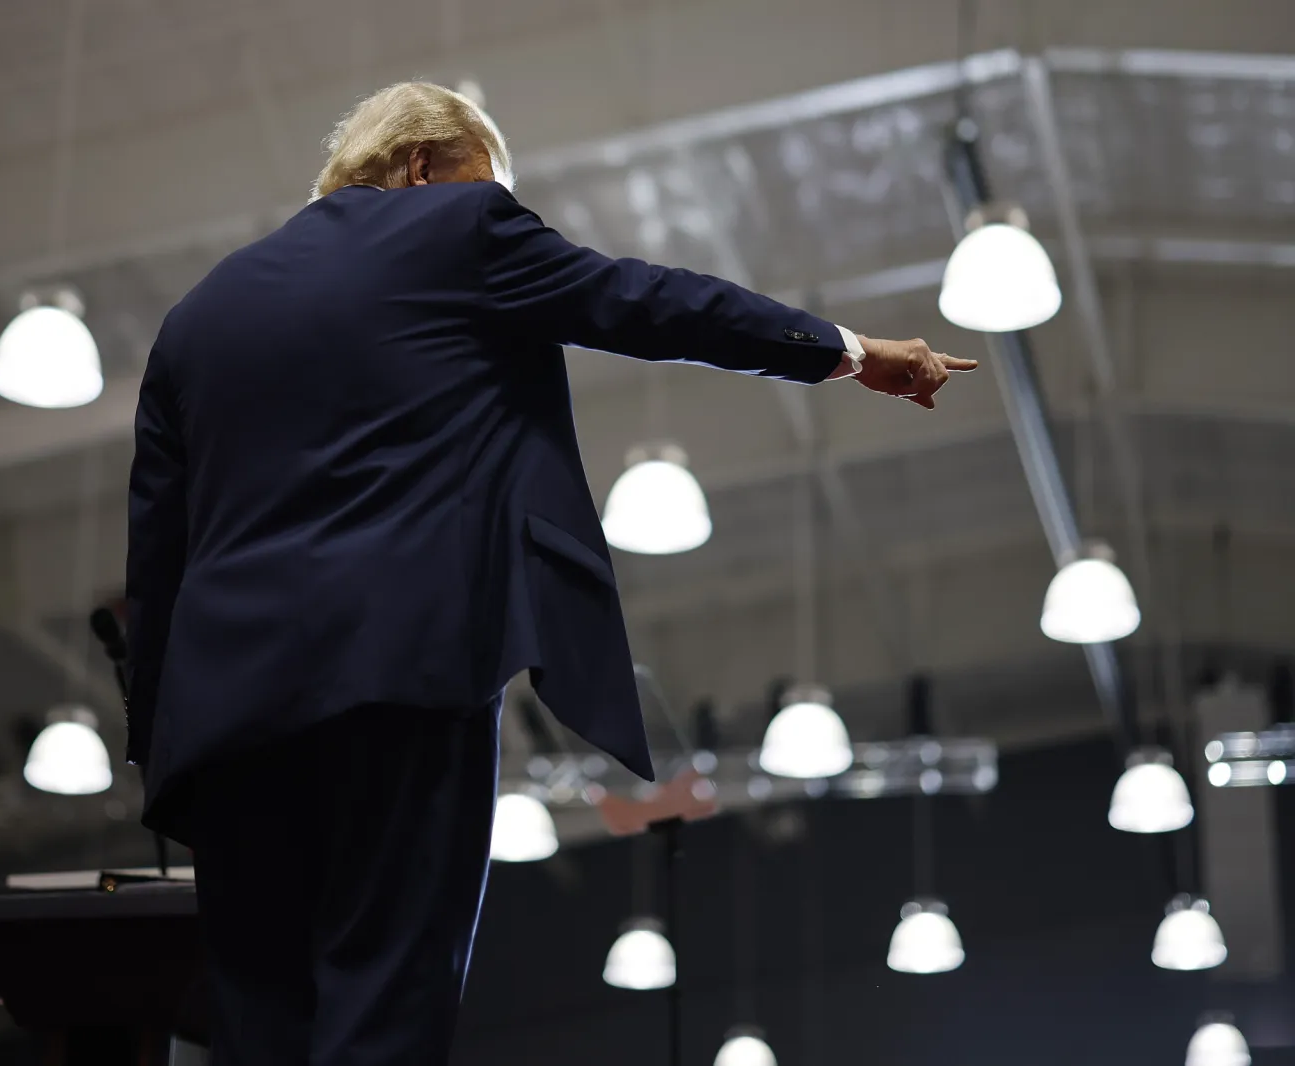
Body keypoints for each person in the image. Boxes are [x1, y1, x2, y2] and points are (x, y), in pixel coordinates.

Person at [124, 82, 976, 1066]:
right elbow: (648, 303)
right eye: (490, 182)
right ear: (419, 167)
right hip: (398, 681)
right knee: (386, 1000)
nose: (504, 209)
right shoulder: (454, 227)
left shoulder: (195, 318)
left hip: (228, 723)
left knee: (255, 1024)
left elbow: (158, 550)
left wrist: (162, 741)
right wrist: (847, 351)